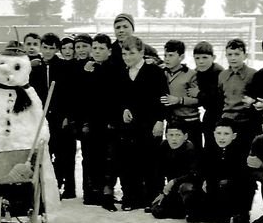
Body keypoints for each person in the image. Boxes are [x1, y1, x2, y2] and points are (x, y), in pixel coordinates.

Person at [116, 36, 168, 211]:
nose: (127, 57)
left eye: (131, 53)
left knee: (150, 162)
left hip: (150, 124)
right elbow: (119, 98)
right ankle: (131, 197)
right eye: (124, 53)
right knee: (129, 162)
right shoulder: (122, 73)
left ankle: (151, 198)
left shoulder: (155, 72)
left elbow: (163, 98)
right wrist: (123, 109)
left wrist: (160, 121)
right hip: (129, 126)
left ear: (141, 52)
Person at [74, 33, 122, 207]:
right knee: (89, 157)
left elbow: (116, 96)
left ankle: (106, 191)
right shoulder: (85, 68)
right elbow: (79, 97)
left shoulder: (115, 68)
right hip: (90, 121)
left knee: (108, 158)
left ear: (109, 51)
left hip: (109, 121)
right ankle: (90, 192)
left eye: (102, 48)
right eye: (94, 48)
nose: (97, 51)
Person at [30, 32, 73, 199]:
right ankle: (46, 186)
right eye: (45, 48)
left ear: (56, 49)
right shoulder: (36, 66)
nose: (47, 51)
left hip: (59, 115)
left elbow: (69, 94)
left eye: (51, 48)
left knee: (62, 153)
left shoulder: (63, 66)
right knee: (46, 151)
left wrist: (66, 115)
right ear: (41, 48)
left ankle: (63, 185)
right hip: (42, 116)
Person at [196, 118, 254, 223]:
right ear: (214, 134)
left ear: (234, 136)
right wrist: (206, 180)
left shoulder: (241, 150)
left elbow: (243, 174)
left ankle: (242, 214)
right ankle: (220, 211)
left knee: (247, 183)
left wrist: (228, 181)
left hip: (235, 187)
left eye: (226, 134)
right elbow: (203, 169)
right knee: (218, 218)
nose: (222, 137)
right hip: (216, 187)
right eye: (218, 133)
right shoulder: (209, 149)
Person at [151, 121, 200, 219]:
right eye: (171, 135)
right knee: (157, 211)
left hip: (186, 186)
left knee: (186, 190)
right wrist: (161, 193)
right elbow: (158, 171)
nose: (174, 139)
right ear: (166, 135)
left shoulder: (189, 149)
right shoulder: (164, 146)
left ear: (185, 136)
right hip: (172, 188)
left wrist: (174, 181)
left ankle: (192, 210)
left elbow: (194, 174)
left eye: (178, 135)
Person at [217, 38, 259, 150]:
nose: (233, 58)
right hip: (226, 123)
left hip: (245, 123)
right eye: (229, 54)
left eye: (237, 54)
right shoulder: (222, 75)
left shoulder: (253, 74)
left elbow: (257, 98)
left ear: (245, 56)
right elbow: (220, 99)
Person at [160, 39, 202, 150]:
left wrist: (179, 100)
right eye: (165, 55)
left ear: (181, 57)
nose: (167, 58)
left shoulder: (191, 74)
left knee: (193, 154)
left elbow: (199, 100)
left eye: (171, 55)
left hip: (190, 122)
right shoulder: (162, 72)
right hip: (172, 123)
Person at [189, 41, 224, 151]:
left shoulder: (219, 73)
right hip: (209, 114)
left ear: (213, 57)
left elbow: (218, 100)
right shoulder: (196, 73)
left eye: (204, 57)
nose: (201, 61)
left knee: (217, 145)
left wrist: (199, 94)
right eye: (197, 58)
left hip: (222, 114)